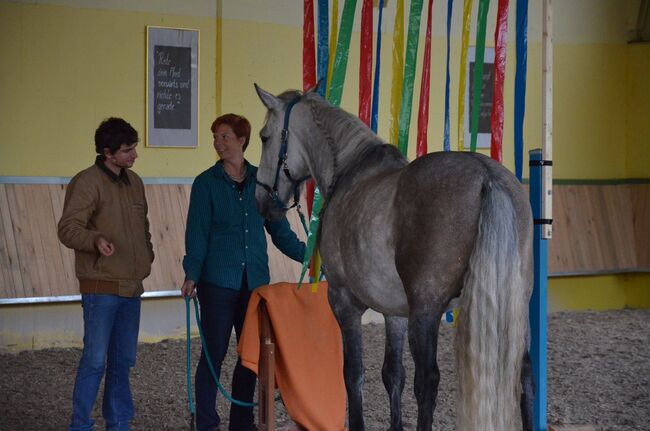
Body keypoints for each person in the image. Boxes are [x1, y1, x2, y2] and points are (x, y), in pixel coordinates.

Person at [181, 113, 305, 431]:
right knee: (214, 355)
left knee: (250, 357)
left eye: (224, 137)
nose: (218, 143)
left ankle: (241, 423)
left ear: (242, 140)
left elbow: (281, 232)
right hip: (217, 284)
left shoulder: (262, 183)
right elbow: (197, 234)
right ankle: (206, 422)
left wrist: (309, 257)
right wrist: (191, 274)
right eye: (215, 137)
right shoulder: (206, 184)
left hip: (255, 285)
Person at [58, 117, 154, 431]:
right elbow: (68, 229)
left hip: (131, 287)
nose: (134, 155)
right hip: (100, 288)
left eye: (134, 148)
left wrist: (147, 256)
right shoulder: (86, 182)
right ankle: (81, 424)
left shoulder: (135, 182)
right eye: (127, 151)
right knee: (95, 361)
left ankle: (119, 422)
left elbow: (144, 228)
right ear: (107, 153)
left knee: (123, 361)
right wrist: (95, 240)